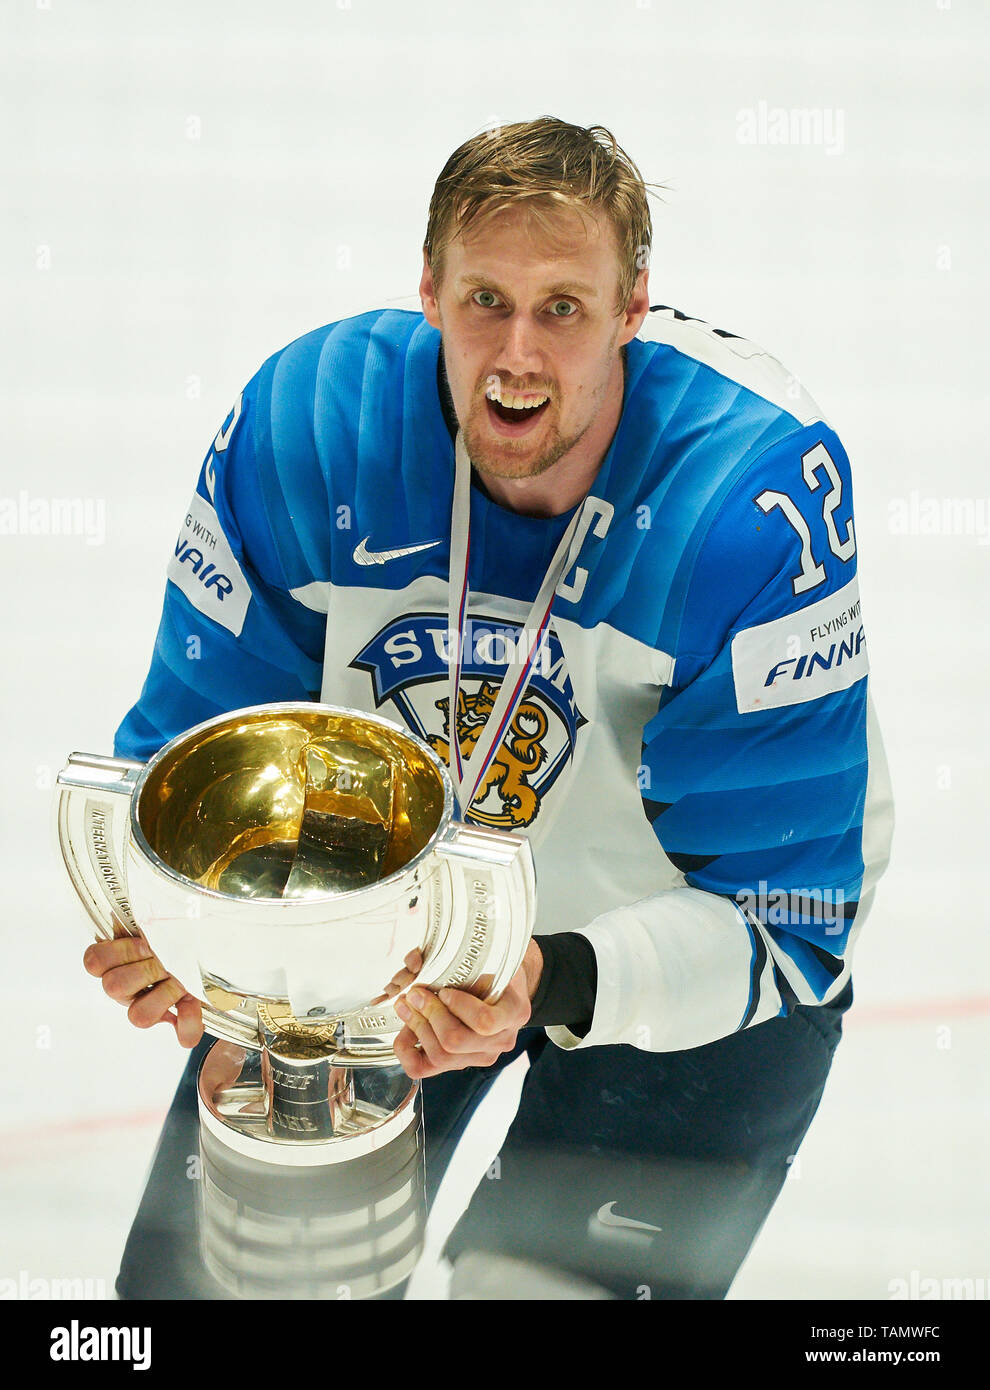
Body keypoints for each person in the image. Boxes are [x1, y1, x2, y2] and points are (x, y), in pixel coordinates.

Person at [83, 116, 894, 1300]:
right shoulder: (309, 430)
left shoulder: (744, 499)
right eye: (485, 300)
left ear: (632, 310)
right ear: (427, 291)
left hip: (671, 941)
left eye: (564, 306)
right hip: (380, 934)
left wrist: (546, 973)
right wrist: (177, 922)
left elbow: (787, 913)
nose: (518, 352)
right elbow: (193, 761)